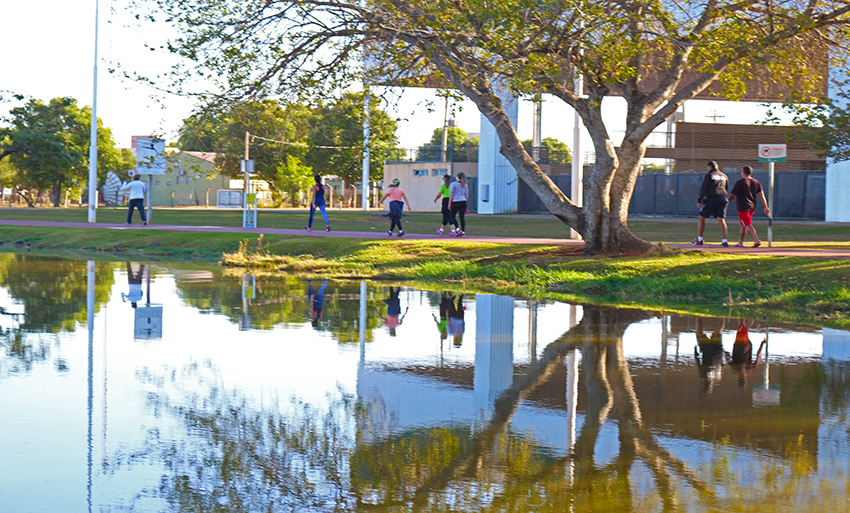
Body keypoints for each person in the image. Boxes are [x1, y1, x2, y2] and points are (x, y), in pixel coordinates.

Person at [727, 166, 770, 247]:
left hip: (743, 207)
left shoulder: (740, 182)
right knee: (743, 225)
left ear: (743, 172)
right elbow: (762, 195)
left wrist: (726, 201)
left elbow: (733, 195)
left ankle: (756, 239)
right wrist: (765, 206)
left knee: (747, 223)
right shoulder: (756, 182)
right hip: (752, 206)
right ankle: (740, 242)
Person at [692, 161, 729, 246]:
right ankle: (724, 240)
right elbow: (726, 188)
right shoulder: (724, 176)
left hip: (713, 198)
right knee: (721, 219)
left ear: (710, 167)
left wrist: (699, 200)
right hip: (723, 198)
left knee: (701, 216)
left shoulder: (709, 175)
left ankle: (700, 239)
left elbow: (704, 189)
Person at [730, 318, 766, 388]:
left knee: (741, 326)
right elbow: (727, 356)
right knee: (745, 326)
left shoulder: (750, 369)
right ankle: (752, 315)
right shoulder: (735, 369)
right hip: (739, 343)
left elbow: (758, 356)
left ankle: (741, 311)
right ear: (738, 378)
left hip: (747, 345)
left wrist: (762, 344)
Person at [694, 316, 726, 394]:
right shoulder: (703, 375)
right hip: (706, 350)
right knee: (699, 333)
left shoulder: (718, 376)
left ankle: (722, 316)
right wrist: (695, 352)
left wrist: (723, 353)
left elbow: (723, 365)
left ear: (712, 385)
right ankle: (699, 317)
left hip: (717, 351)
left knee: (718, 332)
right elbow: (698, 363)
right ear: (704, 384)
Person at [448, 172, 469, 237]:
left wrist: (449, 203)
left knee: (452, 216)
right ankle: (463, 231)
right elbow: (466, 195)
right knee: (461, 217)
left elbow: (451, 194)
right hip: (463, 201)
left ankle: (457, 228)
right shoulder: (465, 184)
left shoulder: (454, 184)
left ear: (457, 177)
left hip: (456, 201)